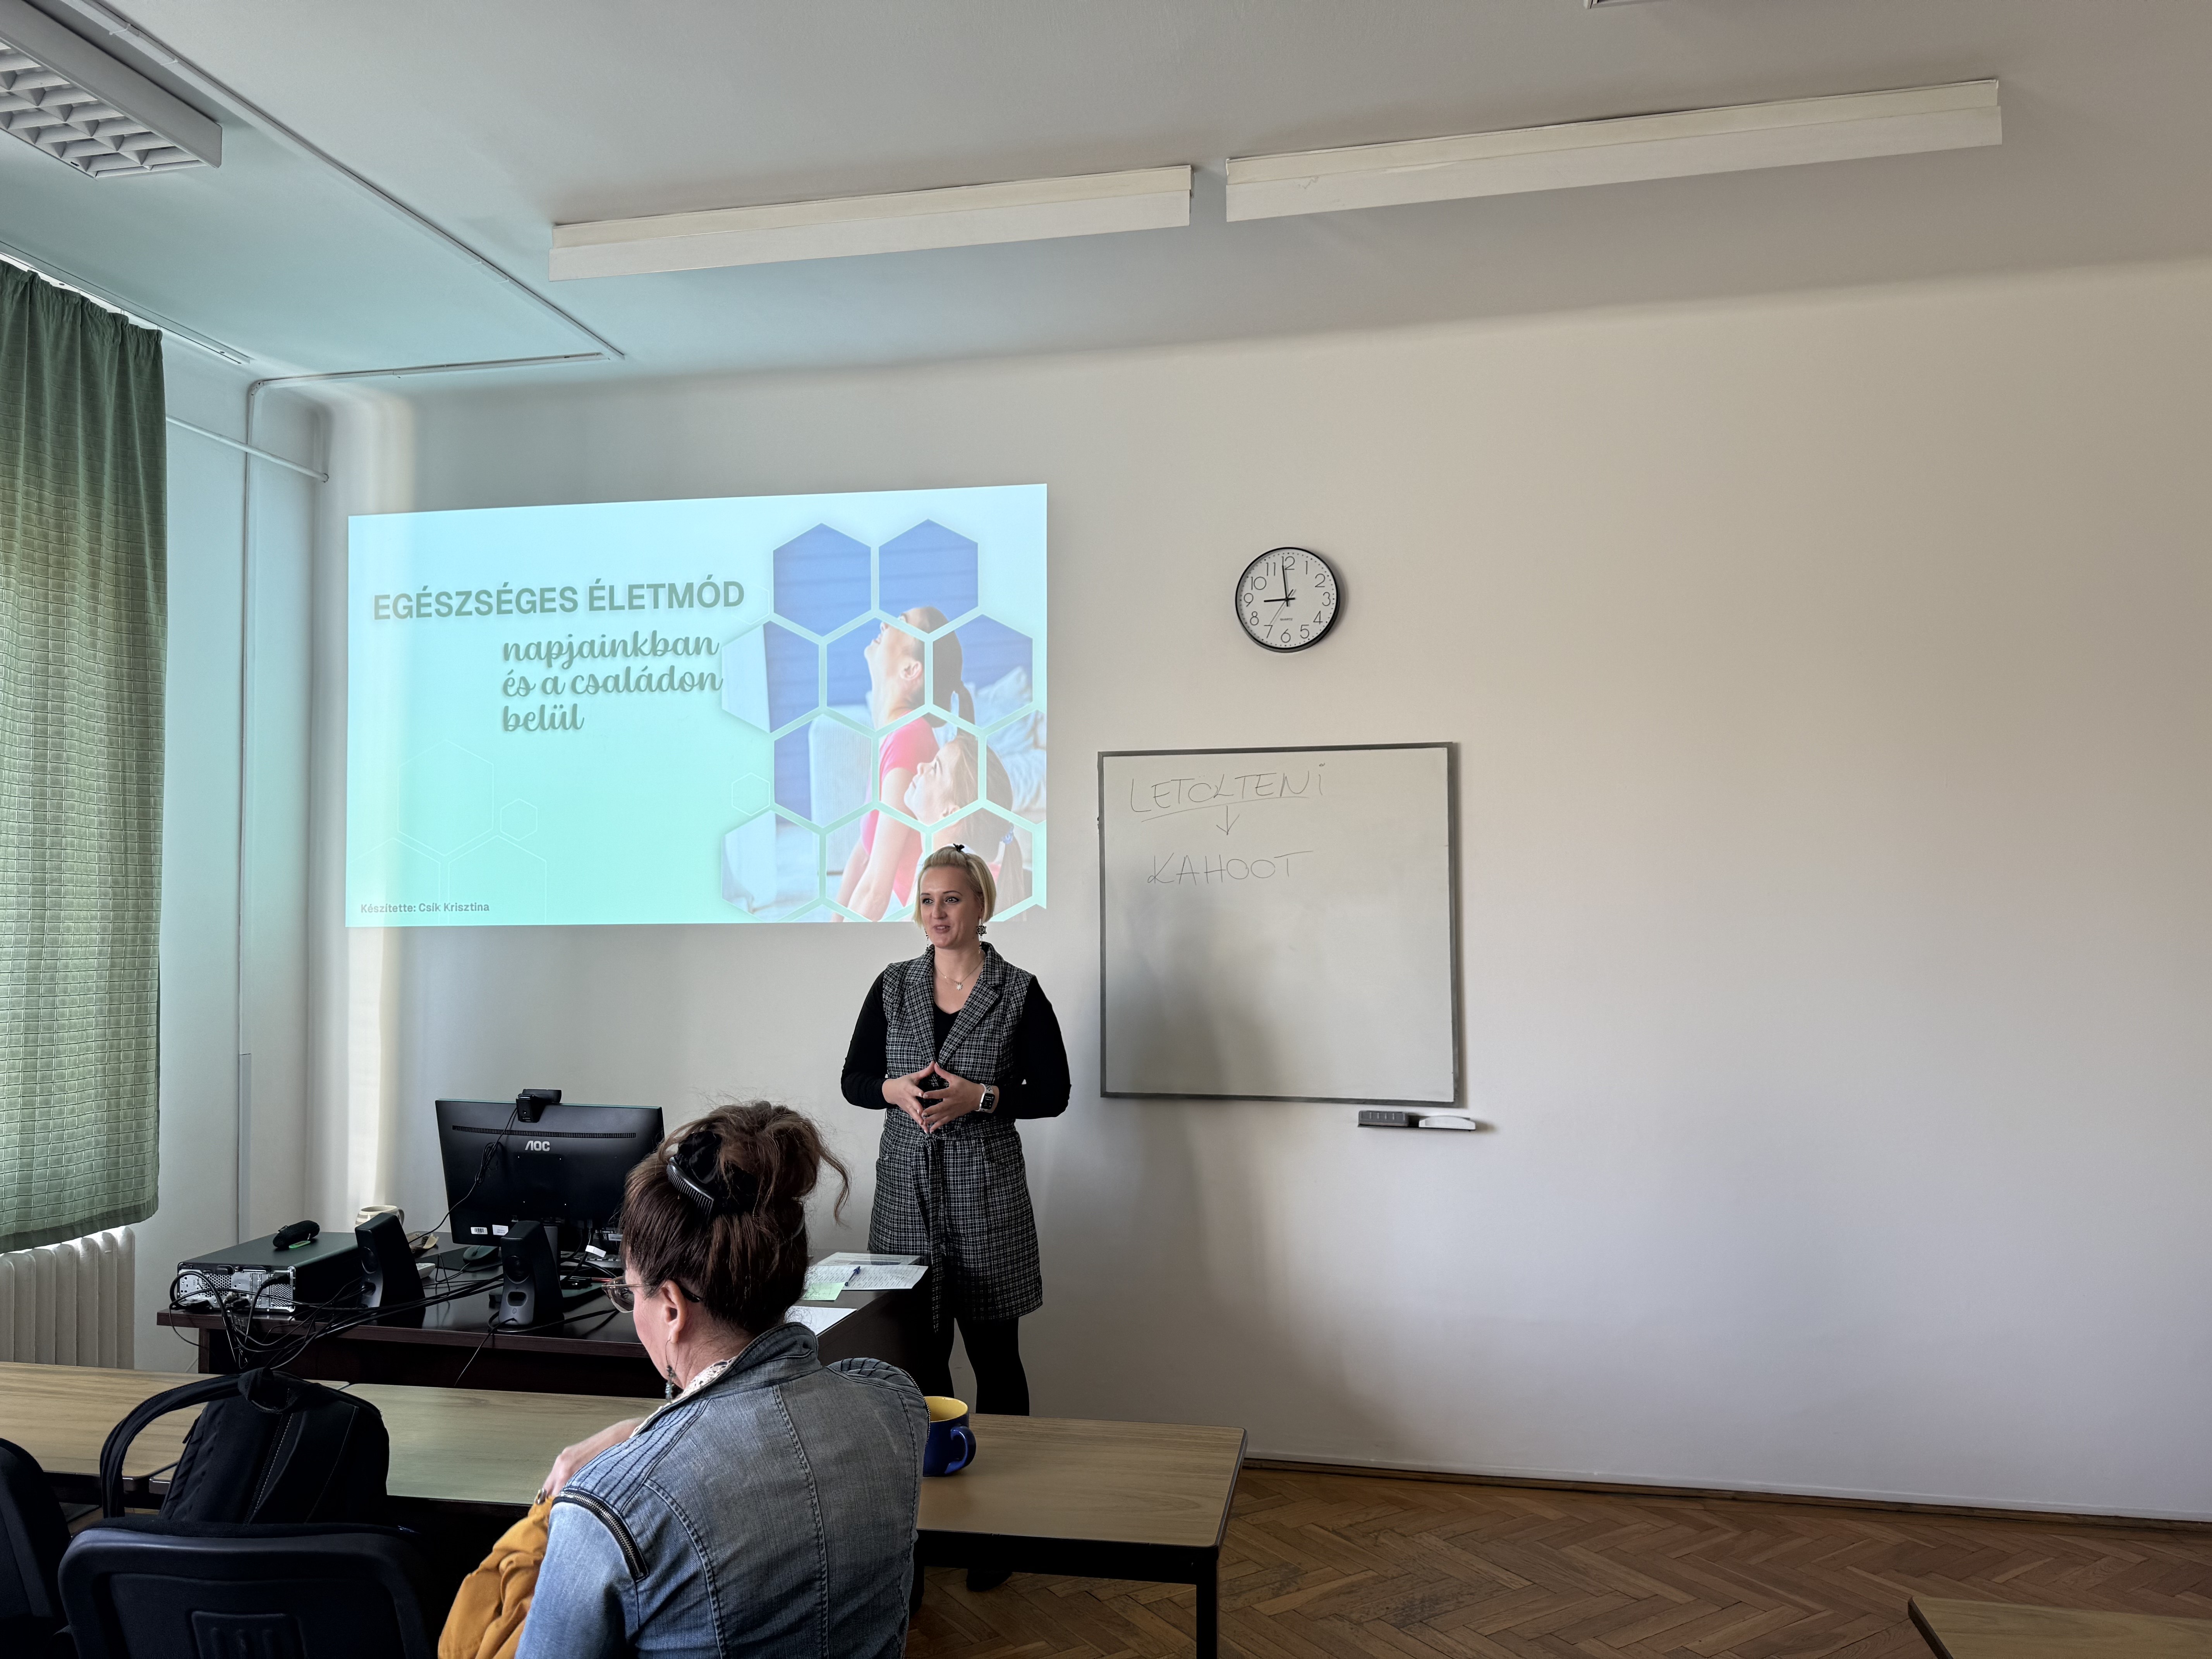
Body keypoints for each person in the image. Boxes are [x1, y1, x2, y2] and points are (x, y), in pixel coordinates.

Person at [517, 1105, 927, 1659]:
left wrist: (638, 1443)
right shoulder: (894, 1407)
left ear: (671, 1308)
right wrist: (641, 1435)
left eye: (628, 1291)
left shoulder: (606, 1510)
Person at [840, 845, 1070, 1420]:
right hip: (905, 1197)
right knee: (917, 1358)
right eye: (926, 901)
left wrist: (982, 1097)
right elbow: (853, 1080)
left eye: (951, 900)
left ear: (981, 905)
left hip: (986, 1199)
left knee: (996, 1358)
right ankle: (936, 1464)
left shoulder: (1018, 991)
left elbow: (1053, 1094)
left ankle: (1007, 1469)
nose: (937, 914)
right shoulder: (893, 985)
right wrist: (892, 1090)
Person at [837, 606, 967, 920]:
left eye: (901, 622)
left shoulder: (908, 738)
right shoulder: (894, 734)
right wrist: (832, 926)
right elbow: (864, 853)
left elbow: (875, 892)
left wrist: (833, 947)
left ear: (911, 670)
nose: (885, 624)